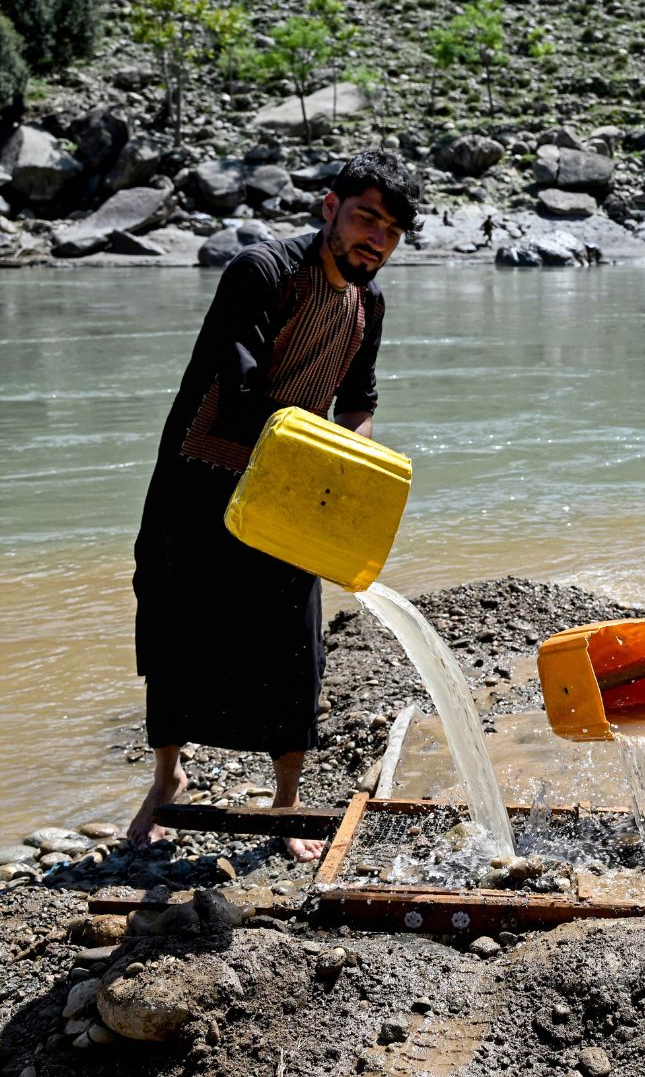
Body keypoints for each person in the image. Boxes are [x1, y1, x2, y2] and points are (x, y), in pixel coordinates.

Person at [128, 149, 422, 861]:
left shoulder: (367, 302)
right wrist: (318, 457)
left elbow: (359, 401)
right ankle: (167, 779)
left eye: (392, 229)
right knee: (174, 624)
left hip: (293, 484)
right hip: (201, 470)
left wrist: (351, 480)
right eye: (365, 217)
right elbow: (242, 385)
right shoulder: (261, 273)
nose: (375, 239)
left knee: (291, 644)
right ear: (330, 209)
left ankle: (285, 802)